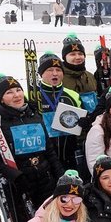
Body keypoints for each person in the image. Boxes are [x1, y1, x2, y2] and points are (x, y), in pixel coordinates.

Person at [0, 73, 64, 222]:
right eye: (9, 93)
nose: (16, 95)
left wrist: (59, 175)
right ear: (1, 99)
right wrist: (16, 177)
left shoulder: (34, 115)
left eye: (18, 90)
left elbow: (49, 150)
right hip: (21, 185)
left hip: (45, 180)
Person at [32, 52, 83, 180]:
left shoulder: (72, 95)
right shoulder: (32, 96)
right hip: (44, 158)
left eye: (58, 70)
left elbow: (83, 124)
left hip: (69, 155)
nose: (55, 73)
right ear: (41, 73)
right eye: (50, 70)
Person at [60, 34, 99, 114]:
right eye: (72, 54)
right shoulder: (59, 78)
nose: (78, 57)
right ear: (65, 57)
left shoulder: (90, 76)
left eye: (80, 54)